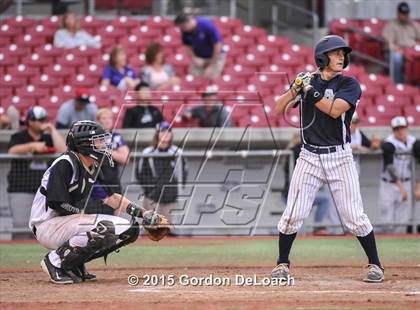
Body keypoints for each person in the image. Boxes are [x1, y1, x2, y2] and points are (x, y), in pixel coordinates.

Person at [272, 35, 384, 282]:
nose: (341, 56)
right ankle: (282, 264)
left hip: (340, 156)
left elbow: (334, 111)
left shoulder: (349, 84)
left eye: (343, 53)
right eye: (335, 53)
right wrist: (295, 88)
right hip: (309, 155)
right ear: (322, 57)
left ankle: (375, 264)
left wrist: (309, 90)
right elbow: (278, 109)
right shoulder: (307, 81)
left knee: (353, 216)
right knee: (293, 213)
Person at [30, 120, 169, 284]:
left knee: (129, 230)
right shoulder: (65, 163)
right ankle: (54, 261)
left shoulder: (90, 165)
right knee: (105, 227)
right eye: (98, 140)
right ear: (84, 143)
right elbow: (55, 202)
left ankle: (72, 263)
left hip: (63, 223)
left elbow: (111, 198)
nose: (103, 144)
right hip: (46, 225)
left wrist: (143, 214)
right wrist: (81, 215)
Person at [7, 107, 66, 237]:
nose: (42, 122)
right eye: (39, 120)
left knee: (44, 229)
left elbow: (63, 150)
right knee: (21, 228)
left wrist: (52, 130)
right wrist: (32, 146)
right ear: (30, 121)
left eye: (44, 119)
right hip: (21, 190)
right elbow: (12, 150)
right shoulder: (19, 136)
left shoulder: (48, 137)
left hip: (44, 192)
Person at [282, 133, 340, 235]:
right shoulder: (296, 151)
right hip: (293, 194)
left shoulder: (291, 150)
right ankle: (316, 228)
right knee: (297, 217)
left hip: (297, 193)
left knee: (323, 199)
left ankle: (315, 228)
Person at [136, 121, 188, 223]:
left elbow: (183, 173)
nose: (165, 134)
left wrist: (175, 189)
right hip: (152, 196)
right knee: (150, 228)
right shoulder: (148, 152)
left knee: (165, 229)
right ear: (157, 134)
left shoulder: (177, 152)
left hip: (170, 196)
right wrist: (151, 188)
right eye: (162, 132)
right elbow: (140, 173)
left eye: (168, 132)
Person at [85, 108, 130, 215]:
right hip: (94, 181)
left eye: (109, 118)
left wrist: (106, 149)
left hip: (112, 181)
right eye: (104, 118)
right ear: (97, 121)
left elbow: (126, 159)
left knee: (116, 214)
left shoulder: (116, 137)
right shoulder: (90, 137)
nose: (107, 121)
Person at [378, 116, 418, 233]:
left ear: (407, 128)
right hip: (389, 184)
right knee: (387, 218)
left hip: (406, 181)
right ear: (393, 130)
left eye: (403, 128)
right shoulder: (389, 142)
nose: (400, 131)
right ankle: (386, 246)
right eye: (397, 128)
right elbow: (390, 166)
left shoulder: (413, 141)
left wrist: (418, 187)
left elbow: (419, 165)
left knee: (403, 219)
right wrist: (401, 188)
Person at [175, 14, 225, 80]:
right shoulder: (185, 30)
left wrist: (211, 66)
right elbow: (188, 45)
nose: (183, 30)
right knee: (195, 80)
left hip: (215, 56)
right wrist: (194, 58)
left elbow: (218, 45)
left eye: (184, 27)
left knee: (210, 79)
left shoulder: (206, 25)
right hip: (199, 57)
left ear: (188, 22)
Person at [382, 2, 420, 84]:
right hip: (399, 51)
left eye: (406, 13)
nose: (405, 15)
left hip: (412, 51)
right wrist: (399, 50)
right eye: (403, 13)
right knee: (397, 58)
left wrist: (417, 45)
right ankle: (398, 84)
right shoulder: (391, 25)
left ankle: (416, 84)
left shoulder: (414, 24)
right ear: (398, 13)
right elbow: (389, 44)